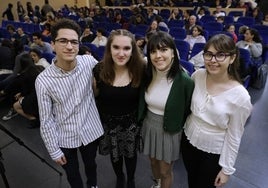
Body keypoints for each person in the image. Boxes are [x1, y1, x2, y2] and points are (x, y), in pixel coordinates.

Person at [35, 18, 103, 188]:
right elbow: (46, 119)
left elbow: (110, 69)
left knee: (91, 166)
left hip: (90, 129)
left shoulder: (88, 62)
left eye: (74, 42)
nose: (70, 46)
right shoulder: (43, 80)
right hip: (64, 136)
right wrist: (53, 149)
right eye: (63, 41)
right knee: (72, 174)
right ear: (53, 44)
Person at [181, 34, 253, 188]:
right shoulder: (198, 75)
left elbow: (234, 135)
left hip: (212, 153)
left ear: (232, 58)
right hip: (188, 141)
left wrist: (227, 170)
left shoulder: (241, 96)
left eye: (220, 55)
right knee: (191, 181)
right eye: (209, 54)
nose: (213, 60)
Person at [138, 31, 194, 188]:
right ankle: (157, 185)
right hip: (149, 125)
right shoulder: (148, 74)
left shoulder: (185, 80)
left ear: (173, 53)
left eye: (163, 50)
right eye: (153, 51)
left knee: (165, 171)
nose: (158, 55)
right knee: (153, 162)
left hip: (170, 130)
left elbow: (188, 110)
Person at [93, 29, 145, 188]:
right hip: (109, 124)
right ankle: (120, 177)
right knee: (115, 156)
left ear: (133, 50)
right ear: (109, 48)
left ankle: (130, 179)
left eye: (126, 48)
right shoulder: (99, 70)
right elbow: (96, 95)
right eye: (116, 47)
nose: (121, 53)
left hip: (131, 123)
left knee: (130, 155)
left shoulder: (140, 70)